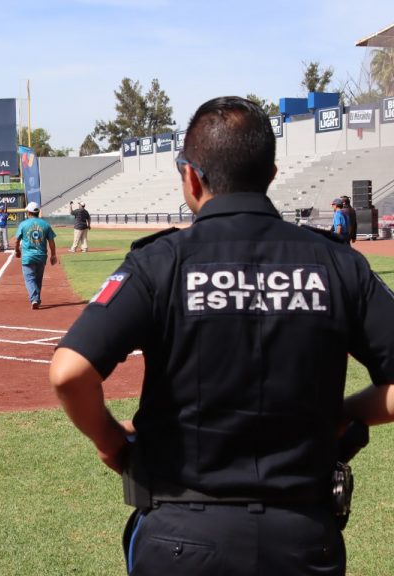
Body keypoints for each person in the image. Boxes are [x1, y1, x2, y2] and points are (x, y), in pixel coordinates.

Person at [49, 96, 394, 576]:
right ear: (272, 175)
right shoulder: (337, 263)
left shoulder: (159, 262)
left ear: (191, 176)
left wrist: (110, 443)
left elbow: (69, 372)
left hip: (180, 539)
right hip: (302, 536)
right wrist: (343, 413)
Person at [14, 202, 57, 309]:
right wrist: (53, 255)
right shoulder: (45, 224)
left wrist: (17, 251)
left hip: (28, 256)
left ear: (29, 212)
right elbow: (51, 241)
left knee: (29, 279)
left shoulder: (23, 224)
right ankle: (36, 298)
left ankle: (34, 299)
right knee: (38, 279)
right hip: (41, 256)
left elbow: (16, 241)